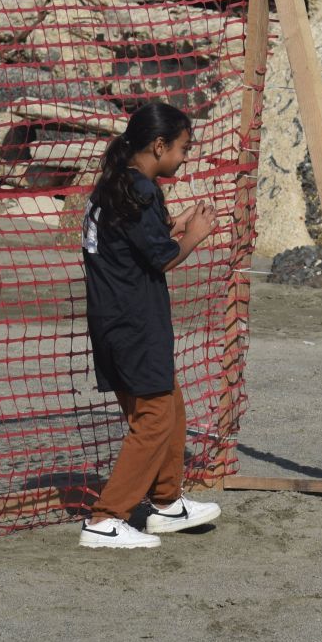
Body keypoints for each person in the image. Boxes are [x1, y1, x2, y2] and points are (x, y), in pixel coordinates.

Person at [78, 101, 221, 549]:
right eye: (183, 148)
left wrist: (173, 225)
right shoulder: (139, 190)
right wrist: (193, 236)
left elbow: (133, 242)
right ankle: (105, 519)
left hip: (114, 323)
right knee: (154, 420)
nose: (185, 157)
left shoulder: (117, 184)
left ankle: (167, 503)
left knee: (168, 407)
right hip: (134, 324)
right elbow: (160, 258)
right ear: (159, 145)